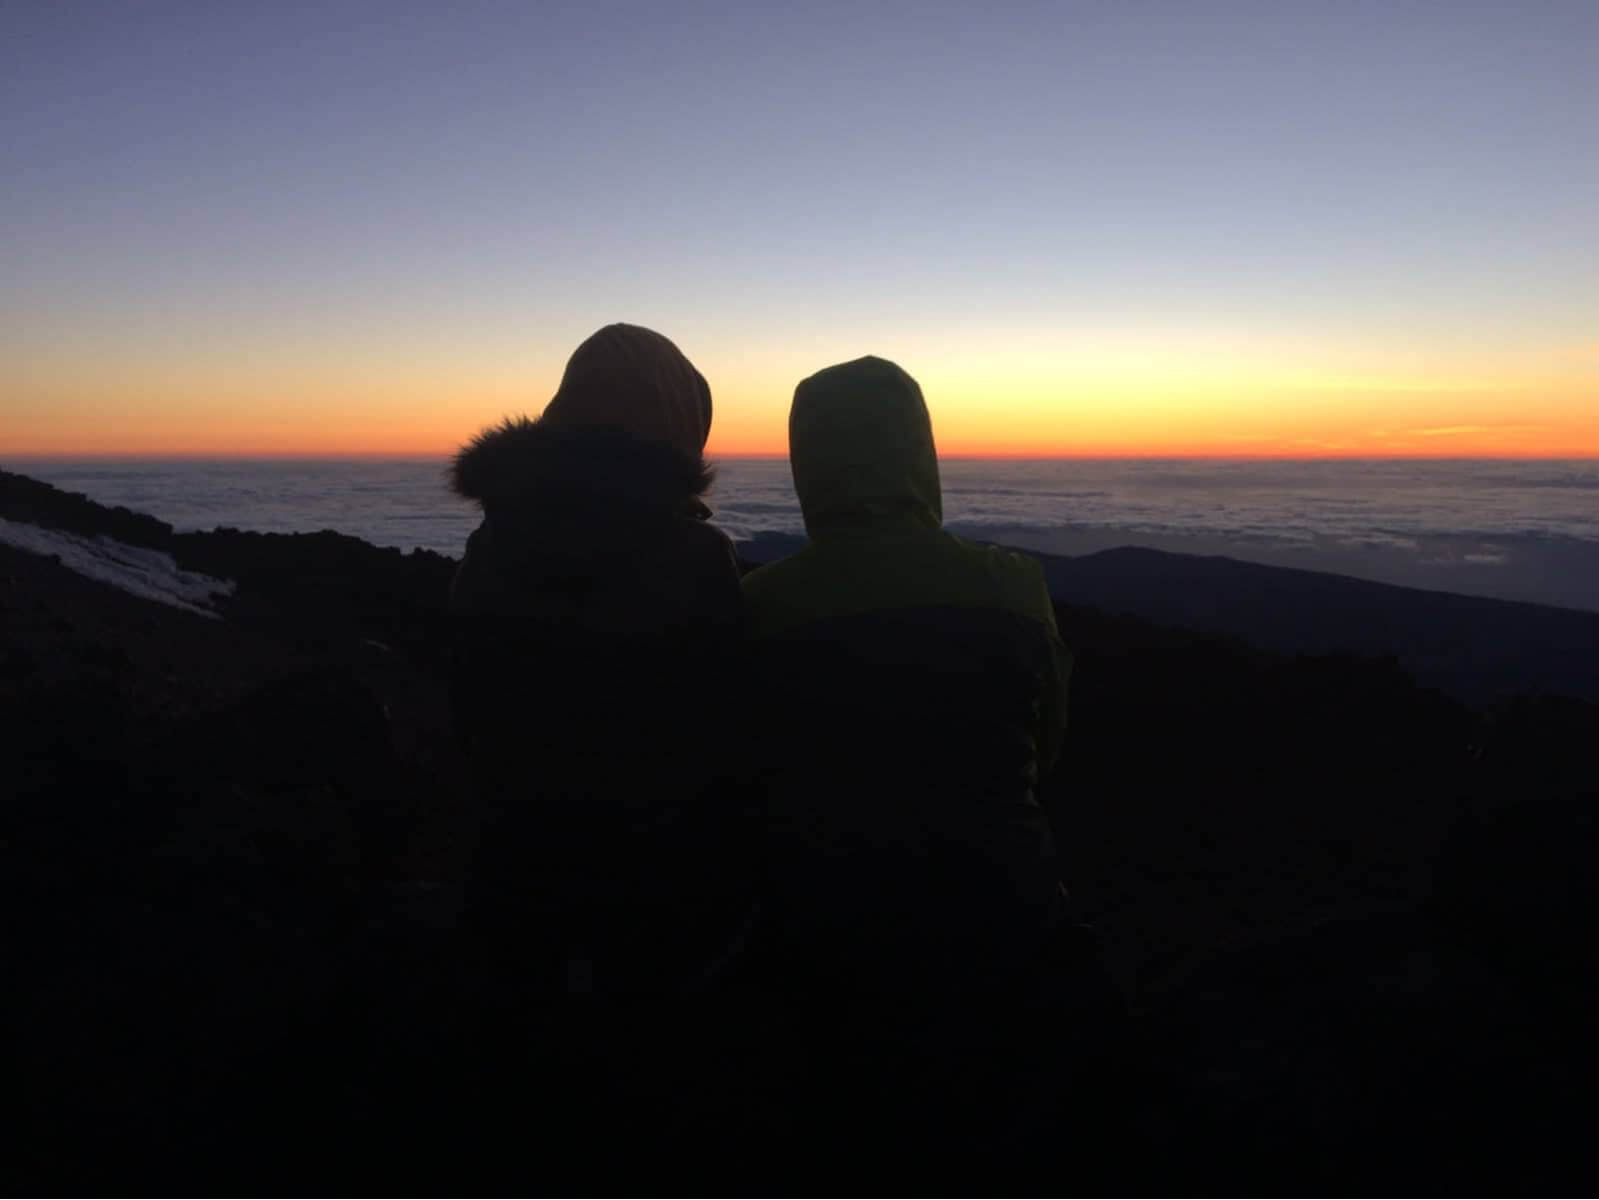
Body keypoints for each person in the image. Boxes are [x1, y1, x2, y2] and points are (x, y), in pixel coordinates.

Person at [742, 355, 1101, 1172]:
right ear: (920, 452)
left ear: (808, 464)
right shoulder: (1013, 586)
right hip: (1006, 915)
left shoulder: (760, 606)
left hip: (824, 929)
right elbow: (1048, 748)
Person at [438, 324, 763, 1177]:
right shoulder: (695, 559)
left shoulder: (491, 548)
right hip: (659, 886)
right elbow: (731, 726)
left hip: (511, 872)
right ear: (677, 427)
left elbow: (470, 700)